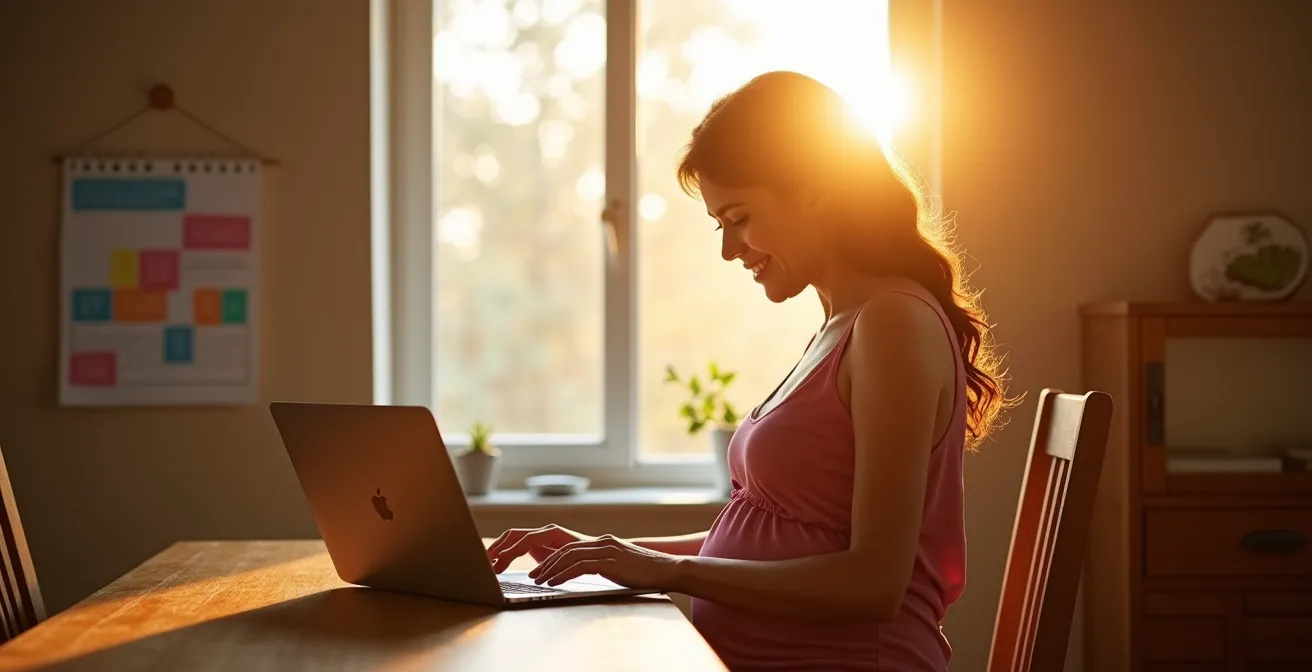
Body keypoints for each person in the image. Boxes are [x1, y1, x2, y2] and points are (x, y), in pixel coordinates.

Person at [486, 71, 1010, 671]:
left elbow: (873, 582)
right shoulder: (843, 323)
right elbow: (776, 539)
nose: (730, 250)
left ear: (815, 190)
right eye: (720, 224)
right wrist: (613, 553)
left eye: (739, 217)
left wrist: (671, 571)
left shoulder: (892, 325)